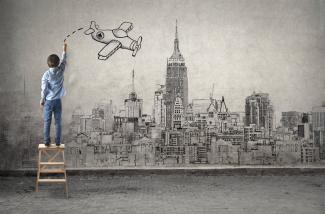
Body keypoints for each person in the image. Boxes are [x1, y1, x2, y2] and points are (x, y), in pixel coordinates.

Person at [40, 43, 67, 147]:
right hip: (58, 101)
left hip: (48, 101)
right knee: (58, 122)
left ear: (48, 63)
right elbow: (64, 60)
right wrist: (64, 50)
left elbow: (44, 89)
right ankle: (58, 141)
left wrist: (42, 100)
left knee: (47, 122)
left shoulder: (46, 75)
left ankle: (46, 141)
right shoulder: (61, 70)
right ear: (58, 63)